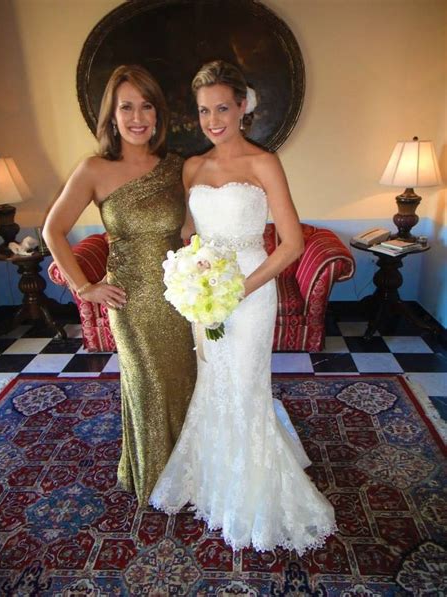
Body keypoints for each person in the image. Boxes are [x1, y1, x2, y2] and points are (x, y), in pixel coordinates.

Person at [150, 60, 336, 553]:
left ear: (242, 108)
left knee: (246, 383)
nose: (213, 120)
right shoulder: (192, 167)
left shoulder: (263, 163)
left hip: (251, 294)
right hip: (204, 294)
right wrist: (190, 278)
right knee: (212, 379)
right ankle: (212, 470)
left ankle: (251, 485)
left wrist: (239, 289)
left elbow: (292, 244)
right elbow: (189, 236)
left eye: (222, 108)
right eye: (204, 110)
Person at [43, 64, 197, 506]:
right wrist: (84, 286)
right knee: (147, 386)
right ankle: (156, 479)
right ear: (111, 115)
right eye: (126, 106)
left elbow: (188, 231)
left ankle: (188, 471)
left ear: (159, 113)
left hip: (177, 297)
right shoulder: (94, 168)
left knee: (184, 381)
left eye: (146, 105)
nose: (137, 116)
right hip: (129, 300)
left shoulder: (175, 167)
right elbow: (53, 230)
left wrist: (204, 278)